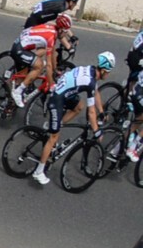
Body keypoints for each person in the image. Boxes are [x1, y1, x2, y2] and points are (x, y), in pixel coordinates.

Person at [29, 52, 114, 185]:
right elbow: (91, 112)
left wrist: (102, 111)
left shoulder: (90, 70)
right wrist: (97, 131)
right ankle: (38, 171)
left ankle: (56, 124)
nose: (108, 74)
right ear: (102, 71)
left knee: (79, 106)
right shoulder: (90, 81)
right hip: (57, 99)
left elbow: (95, 92)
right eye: (108, 72)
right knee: (54, 137)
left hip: (64, 94)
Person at [9, 13, 76, 108]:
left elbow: (52, 53)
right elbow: (49, 64)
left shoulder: (52, 28)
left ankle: (20, 84)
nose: (66, 34)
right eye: (65, 31)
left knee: (41, 61)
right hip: (19, 49)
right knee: (39, 66)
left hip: (22, 44)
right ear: (61, 30)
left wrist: (54, 69)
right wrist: (52, 84)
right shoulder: (51, 37)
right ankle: (18, 91)